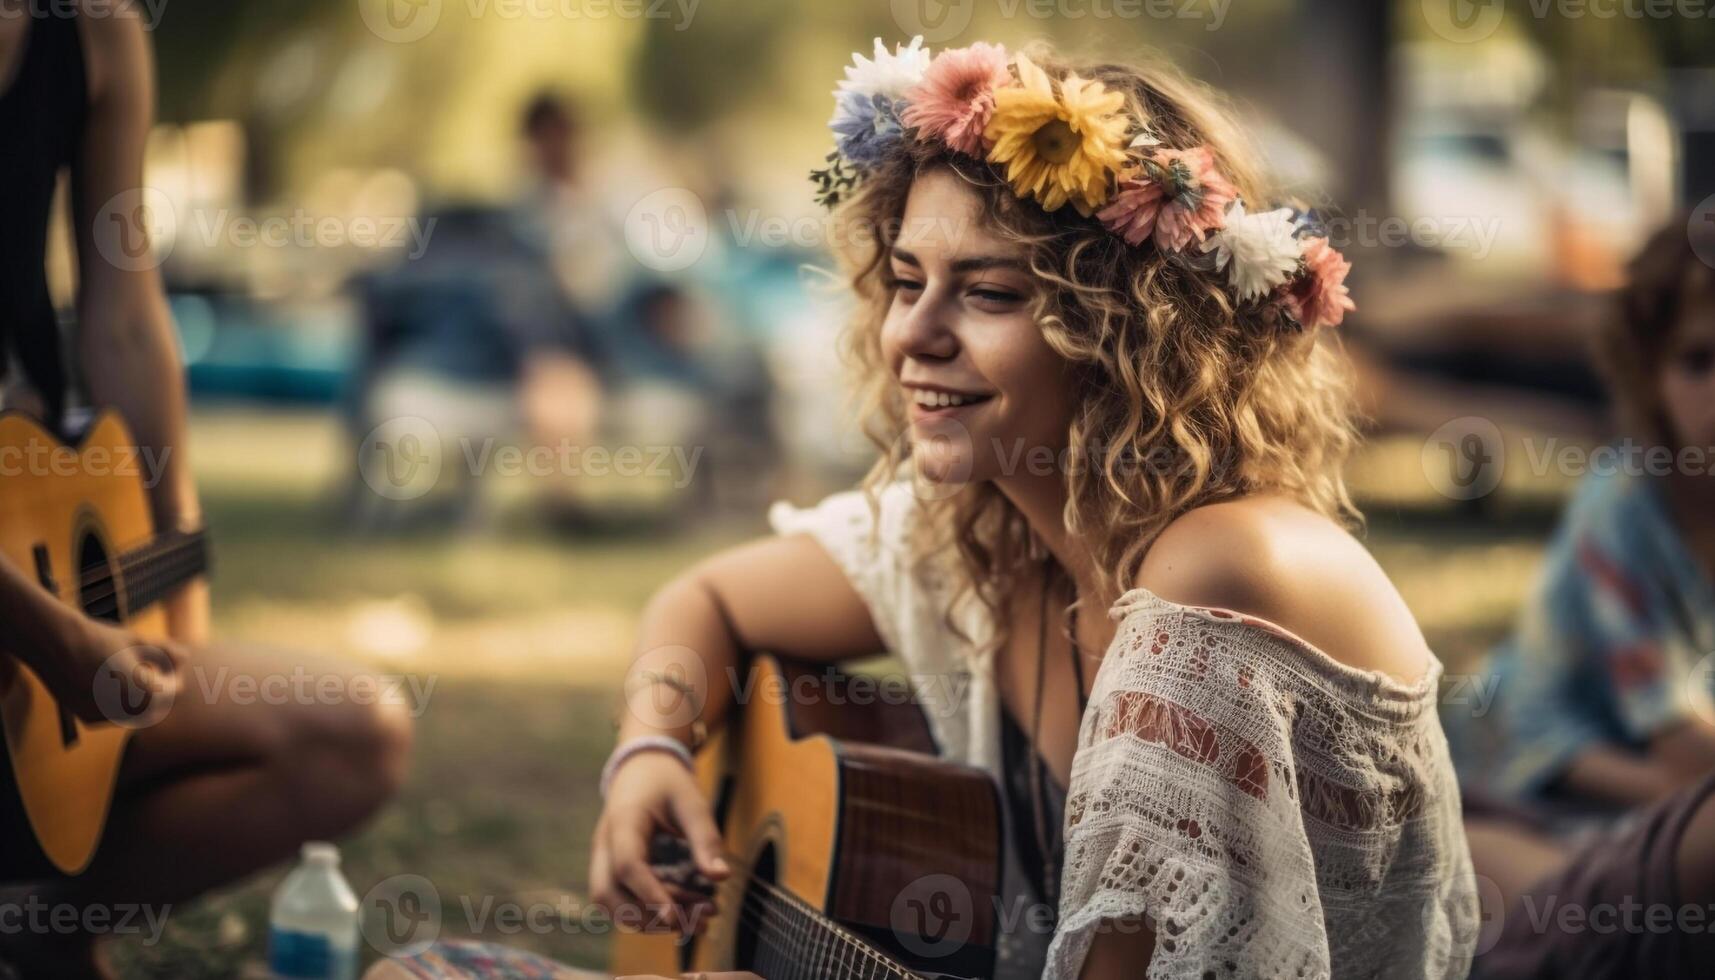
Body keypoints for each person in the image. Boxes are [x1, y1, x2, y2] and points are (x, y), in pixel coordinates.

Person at [584, 38, 1477, 980]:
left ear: (1131, 329)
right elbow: (704, 604)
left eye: (990, 293)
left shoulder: (1217, 579)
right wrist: (650, 751)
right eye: (904, 281)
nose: (914, 337)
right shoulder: (989, 537)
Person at [0, 4, 411, 976]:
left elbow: (128, 314)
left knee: (352, 732)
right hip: (40, 622)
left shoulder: (95, 31)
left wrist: (171, 566)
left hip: (39, 548)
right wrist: (54, 639)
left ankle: (38, 930)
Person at [1451, 214, 1715, 978]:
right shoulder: (1628, 506)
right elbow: (1676, 743)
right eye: (1697, 361)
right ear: (1645, 377)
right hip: (1543, 759)